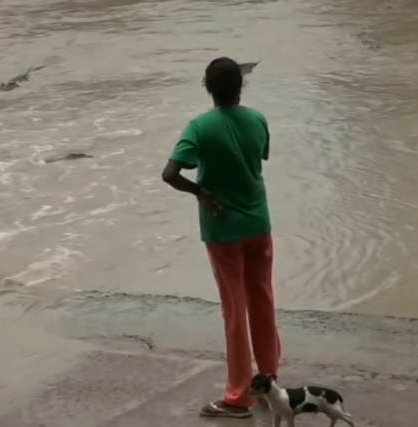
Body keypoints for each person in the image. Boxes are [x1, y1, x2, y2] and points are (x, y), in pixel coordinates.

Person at [161, 57, 281, 419]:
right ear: (240, 87)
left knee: (234, 311)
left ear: (207, 87)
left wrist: (200, 192)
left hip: (223, 230)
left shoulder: (199, 127)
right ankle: (268, 383)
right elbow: (261, 156)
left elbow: (170, 173)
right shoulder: (258, 119)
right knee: (262, 300)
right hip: (259, 224)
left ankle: (237, 397)